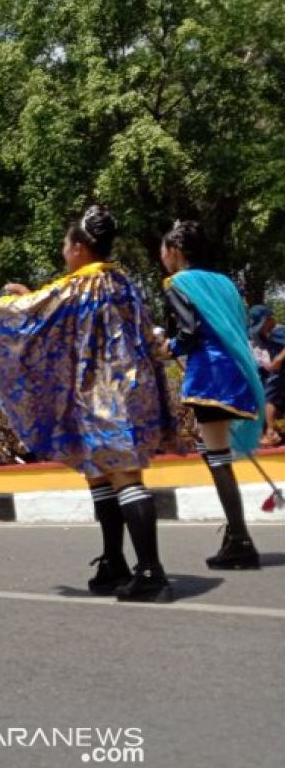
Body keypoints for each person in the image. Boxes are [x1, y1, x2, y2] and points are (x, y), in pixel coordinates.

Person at [0, 205, 176, 602]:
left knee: (123, 475)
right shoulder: (123, 281)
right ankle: (114, 563)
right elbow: (52, 308)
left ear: (78, 247)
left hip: (101, 392)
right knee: (102, 474)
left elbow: (26, 313)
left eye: (64, 242)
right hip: (132, 387)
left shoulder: (79, 284)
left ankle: (151, 571)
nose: (63, 250)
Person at [159, 221, 264, 569]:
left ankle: (240, 540)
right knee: (215, 454)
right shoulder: (226, 284)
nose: (162, 258)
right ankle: (235, 536)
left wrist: (168, 347)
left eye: (164, 250)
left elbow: (188, 333)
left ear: (175, 251)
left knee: (217, 459)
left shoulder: (178, 282)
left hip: (210, 375)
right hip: (237, 371)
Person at [248, 304, 285, 446]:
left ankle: (270, 432)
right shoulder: (268, 333)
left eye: (263, 324)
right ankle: (271, 432)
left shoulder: (279, 331)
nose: (262, 329)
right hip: (278, 371)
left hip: (280, 370)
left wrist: (279, 358)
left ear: (271, 320)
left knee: (269, 399)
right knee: (272, 400)